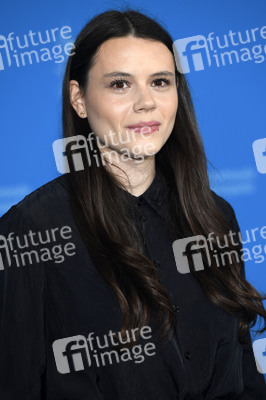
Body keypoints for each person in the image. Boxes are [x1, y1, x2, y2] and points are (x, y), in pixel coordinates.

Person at [0, 8, 266, 399]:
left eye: (160, 81)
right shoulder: (32, 229)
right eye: (120, 84)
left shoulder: (216, 216)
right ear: (79, 99)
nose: (146, 102)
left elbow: (246, 379)